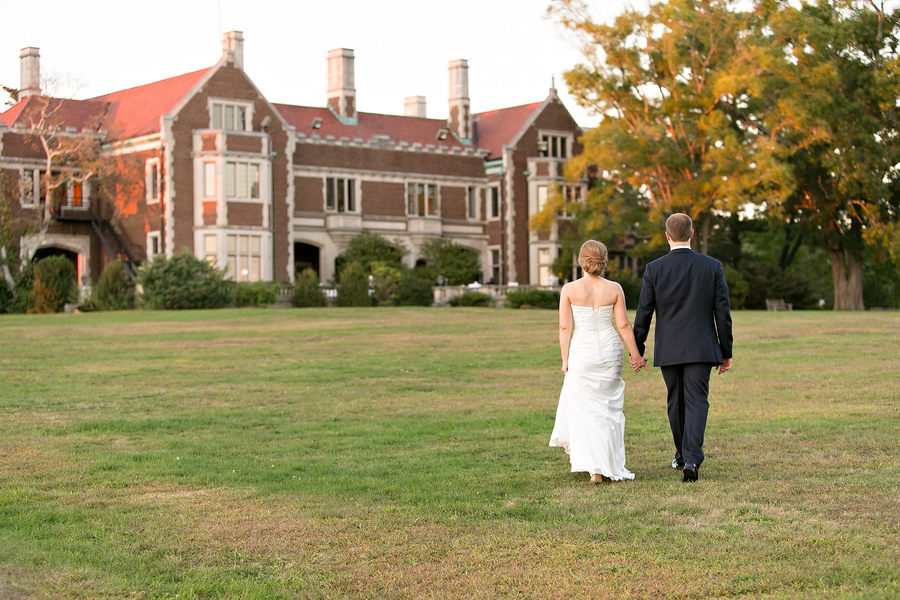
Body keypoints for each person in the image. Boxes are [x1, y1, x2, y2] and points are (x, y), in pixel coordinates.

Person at [633, 214, 733, 483]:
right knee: (697, 401)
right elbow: (722, 311)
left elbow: (644, 312)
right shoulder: (712, 266)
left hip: (669, 348)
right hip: (702, 347)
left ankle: (683, 456)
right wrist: (727, 351)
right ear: (691, 234)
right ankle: (689, 457)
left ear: (667, 235)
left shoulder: (655, 268)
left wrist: (637, 349)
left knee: (675, 402)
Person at [549, 240, 646, 483]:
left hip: (582, 352)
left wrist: (565, 360)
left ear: (581, 261)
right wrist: (635, 355)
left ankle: (595, 470)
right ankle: (602, 465)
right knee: (607, 409)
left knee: (586, 410)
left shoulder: (569, 289)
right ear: (605, 261)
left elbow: (564, 327)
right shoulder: (615, 288)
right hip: (609, 352)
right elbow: (623, 325)